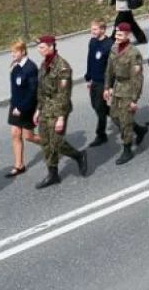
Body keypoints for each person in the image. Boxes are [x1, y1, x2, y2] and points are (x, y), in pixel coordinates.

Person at [33, 35, 88, 189]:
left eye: (42, 47)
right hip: (45, 107)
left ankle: (79, 156)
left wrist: (61, 117)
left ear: (51, 47)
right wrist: (38, 109)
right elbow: (40, 89)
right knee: (45, 142)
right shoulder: (44, 64)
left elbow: (64, 94)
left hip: (58, 108)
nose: (39, 50)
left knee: (57, 143)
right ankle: (53, 174)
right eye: (38, 47)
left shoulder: (63, 67)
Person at [103, 23, 149, 165]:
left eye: (120, 35)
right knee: (114, 116)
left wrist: (134, 99)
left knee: (125, 121)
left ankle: (127, 149)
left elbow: (137, 78)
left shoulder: (133, 53)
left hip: (128, 90)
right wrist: (107, 87)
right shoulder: (114, 48)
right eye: (116, 34)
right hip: (117, 88)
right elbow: (109, 70)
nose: (117, 37)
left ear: (128, 35)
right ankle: (139, 130)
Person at [5, 40, 42, 178]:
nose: (12, 54)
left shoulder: (30, 68)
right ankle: (19, 165)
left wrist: (21, 107)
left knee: (29, 136)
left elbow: (32, 92)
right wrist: (14, 104)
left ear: (23, 51)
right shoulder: (16, 67)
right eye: (12, 52)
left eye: (15, 52)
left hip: (26, 107)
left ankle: (52, 143)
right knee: (15, 133)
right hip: (15, 106)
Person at [79, 21, 113, 148]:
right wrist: (88, 77)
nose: (92, 32)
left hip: (103, 82)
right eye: (91, 29)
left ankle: (101, 134)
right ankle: (127, 122)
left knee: (100, 107)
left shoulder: (109, 44)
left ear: (103, 30)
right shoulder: (92, 42)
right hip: (94, 80)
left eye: (95, 29)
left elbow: (111, 68)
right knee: (96, 106)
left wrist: (109, 86)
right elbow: (90, 60)